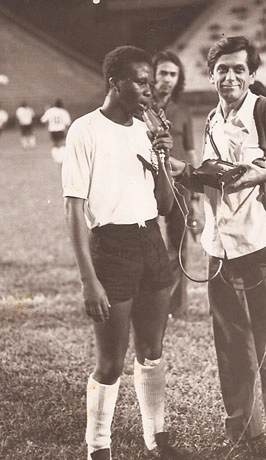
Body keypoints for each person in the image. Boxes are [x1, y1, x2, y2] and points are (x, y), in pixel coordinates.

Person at [169, 36, 266, 460]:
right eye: (223, 69)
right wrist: (184, 171)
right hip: (219, 246)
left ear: (252, 74)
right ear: (212, 74)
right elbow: (214, 178)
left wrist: (264, 175)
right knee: (230, 346)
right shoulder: (211, 118)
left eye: (239, 69)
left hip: (261, 243)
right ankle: (245, 435)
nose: (231, 76)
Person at [62, 45, 192, 460]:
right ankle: (98, 447)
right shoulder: (84, 130)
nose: (149, 91)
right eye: (140, 81)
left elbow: (167, 206)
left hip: (151, 242)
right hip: (112, 247)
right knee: (111, 363)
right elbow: (75, 208)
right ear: (114, 82)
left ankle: (158, 438)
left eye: (151, 83)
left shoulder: (146, 129)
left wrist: (160, 158)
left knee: (152, 352)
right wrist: (88, 279)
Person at [152, 50, 198, 318]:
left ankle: (175, 307)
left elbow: (191, 151)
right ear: (153, 75)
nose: (167, 79)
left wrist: (195, 194)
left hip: (179, 184)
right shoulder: (141, 108)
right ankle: (147, 303)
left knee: (178, 246)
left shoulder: (183, 111)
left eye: (173, 74)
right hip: (147, 184)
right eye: (163, 73)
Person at [41, 99, 71, 164]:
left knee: (55, 144)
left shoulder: (50, 111)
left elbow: (43, 120)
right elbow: (68, 122)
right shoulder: (63, 112)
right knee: (62, 144)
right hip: (60, 129)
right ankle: (61, 159)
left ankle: (56, 158)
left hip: (52, 130)